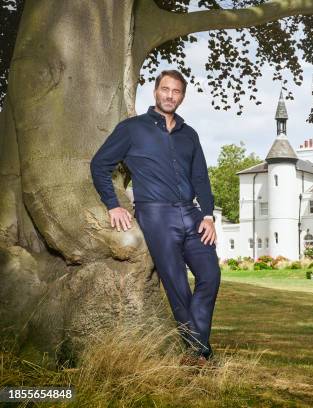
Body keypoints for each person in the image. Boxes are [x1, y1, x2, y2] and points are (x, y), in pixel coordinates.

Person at [90, 69, 221, 365]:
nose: (170, 95)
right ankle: (199, 355)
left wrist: (209, 216)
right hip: (156, 215)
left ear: (182, 96)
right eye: (165, 89)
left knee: (211, 276)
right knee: (176, 285)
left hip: (193, 214)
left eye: (176, 91)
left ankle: (196, 348)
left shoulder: (190, 135)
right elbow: (100, 164)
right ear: (155, 91)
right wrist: (113, 204)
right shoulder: (132, 129)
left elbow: (201, 178)